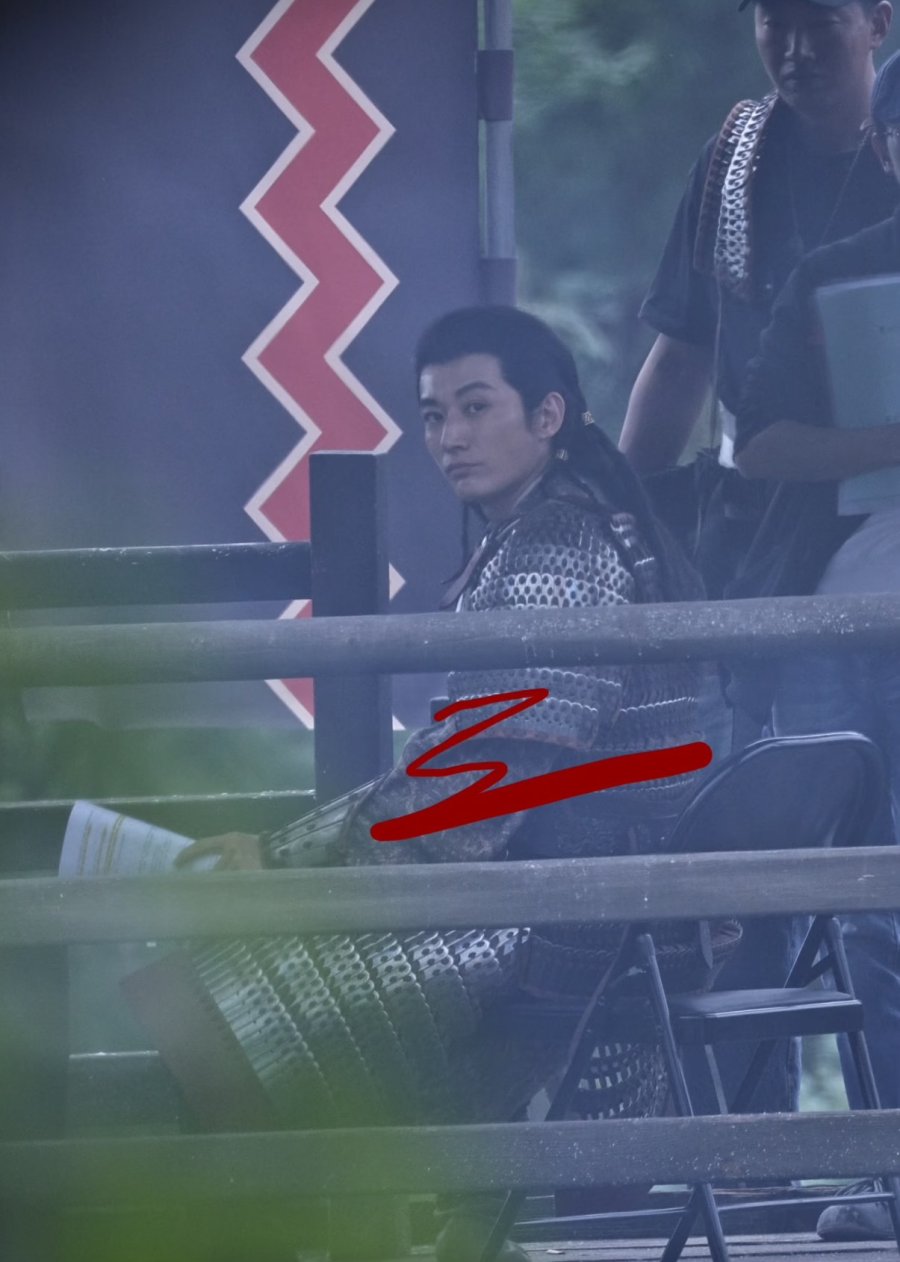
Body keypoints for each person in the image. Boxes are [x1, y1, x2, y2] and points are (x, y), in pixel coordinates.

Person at [130, 306, 738, 1262]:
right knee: (230, 973)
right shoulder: (556, 525)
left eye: (476, 406)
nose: (450, 435)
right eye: (433, 415)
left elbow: (471, 800)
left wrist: (284, 865)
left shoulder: (559, 549)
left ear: (547, 416)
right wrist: (285, 855)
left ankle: (337, 1238)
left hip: (567, 912)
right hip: (561, 887)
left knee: (214, 995)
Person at [734, 48, 900, 1242]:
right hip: (862, 619)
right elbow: (756, 443)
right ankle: (888, 1166)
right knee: (877, 907)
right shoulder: (837, 273)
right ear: (884, 146)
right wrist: (888, 441)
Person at [619, 0, 895, 597]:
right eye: (776, 24)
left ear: (877, 24)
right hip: (757, 511)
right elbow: (680, 359)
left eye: (820, 25)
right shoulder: (736, 159)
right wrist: (623, 519)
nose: (796, 50)